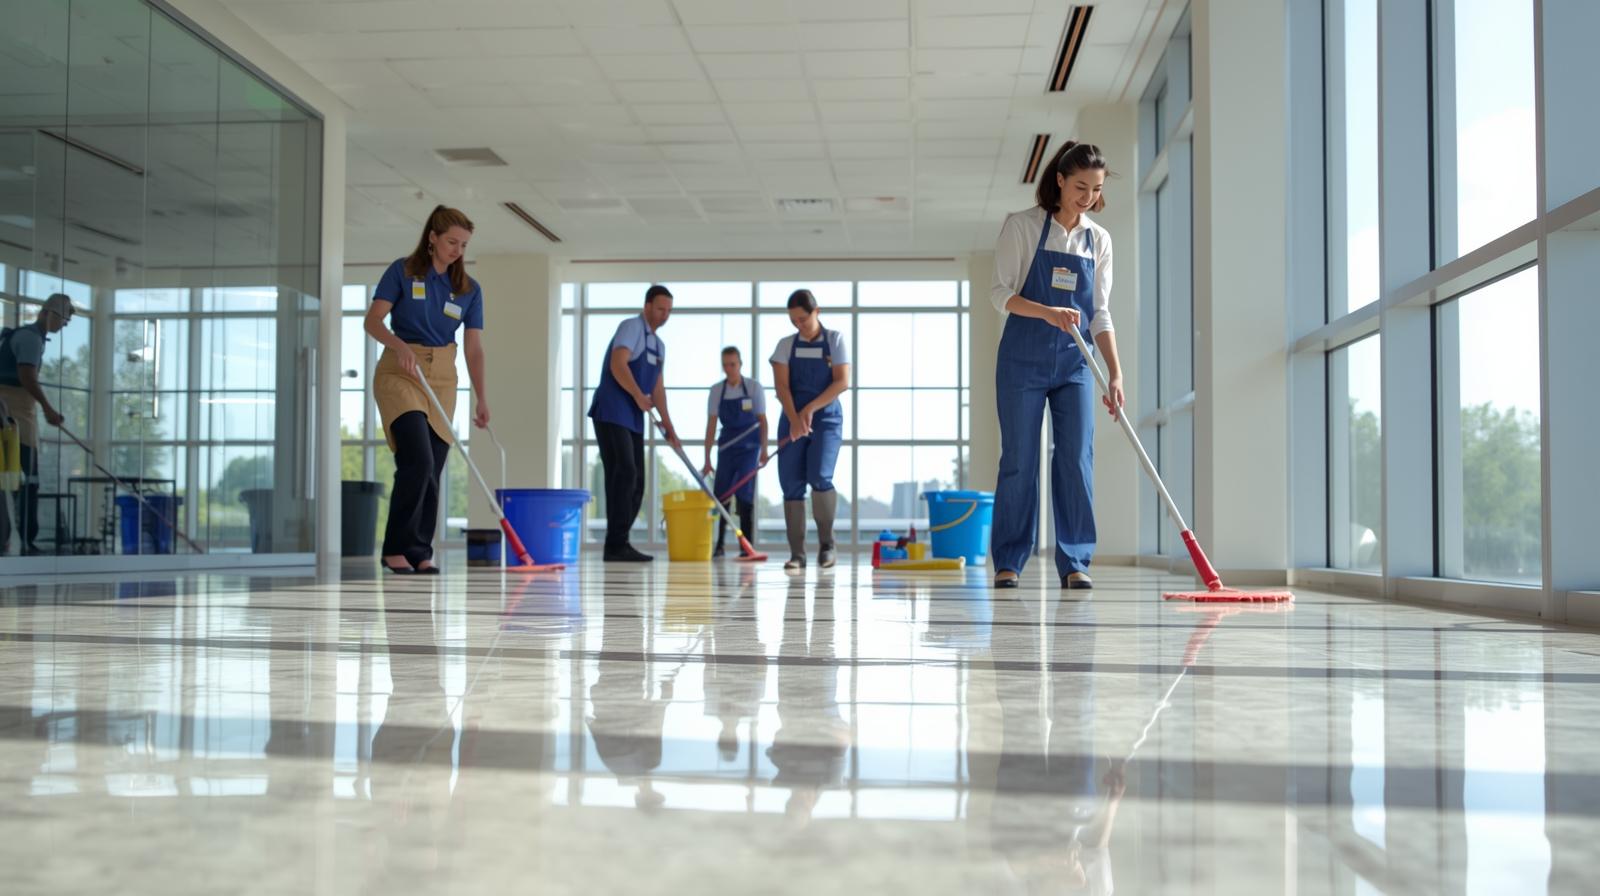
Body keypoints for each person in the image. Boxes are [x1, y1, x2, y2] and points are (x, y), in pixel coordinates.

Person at [989, 141, 1126, 591]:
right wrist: (1048, 313)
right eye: (1080, 186)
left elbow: (1100, 313)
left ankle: (1075, 561)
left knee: (1075, 459)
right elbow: (1000, 293)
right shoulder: (1023, 227)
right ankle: (1009, 560)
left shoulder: (1098, 239)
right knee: (1020, 460)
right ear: (1061, 180)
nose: (1087, 196)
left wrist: (1115, 373)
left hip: (1075, 364)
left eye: (1096, 189)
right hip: (1022, 361)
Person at [366, 205, 489, 575]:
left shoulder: (468, 290)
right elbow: (373, 321)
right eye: (452, 241)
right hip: (400, 370)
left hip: (443, 377)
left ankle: (419, 550)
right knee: (416, 459)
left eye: (464, 244)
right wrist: (400, 346)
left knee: (433, 467)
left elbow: (474, 348)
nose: (457, 250)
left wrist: (482, 396)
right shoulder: (402, 271)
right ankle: (395, 549)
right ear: (432, 238)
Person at [588, 284, 680, 562]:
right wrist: (639, 395)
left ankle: (620, 541)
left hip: (633, 416)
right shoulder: (631, 327)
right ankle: (615, 544)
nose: (664, 315)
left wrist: (668, 425)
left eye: (669, 311)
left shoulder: (659, 345)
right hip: (612, 410)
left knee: (637, 481)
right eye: (660, 309)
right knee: (624, 472)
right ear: (647, 306)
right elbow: (618, 364)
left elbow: (658, 388)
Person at [771, 289, 850, 571]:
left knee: (820, 475)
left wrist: (810, 410)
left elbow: (841, 382)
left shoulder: (835, 341)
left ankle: (827, 545)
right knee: (791, 483)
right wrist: (795, 418)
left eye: (803, 319)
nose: (799, 325)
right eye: (794, 321)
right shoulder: (784, 346)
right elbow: (781, 387)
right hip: (792, 418)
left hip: (826, 418)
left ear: (817, 312)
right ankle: (797, 554)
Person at [0, 292, 74, 556]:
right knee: (24, 480)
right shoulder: (30, 339)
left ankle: (13, 540)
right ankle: (23, 542)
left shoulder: (22, 336)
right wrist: (48, 409)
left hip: (15, 415)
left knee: (14, 481)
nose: (63, 326)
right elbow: (27, 376)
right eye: (62, 320)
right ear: (49, 313)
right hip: (14, 418)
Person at [700, 346, 768, 558]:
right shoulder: (717, 391)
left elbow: (762, 421)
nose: (729, 369)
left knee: (745, 496)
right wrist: (707, 458)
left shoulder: (754, 388)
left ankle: (746, 547)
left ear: (740, 364)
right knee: (721, 496)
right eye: (725, 365)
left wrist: (764, 451)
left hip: (749, 449)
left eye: (733, 364)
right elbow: (711, 425)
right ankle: (719, 545)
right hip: (727, 449)